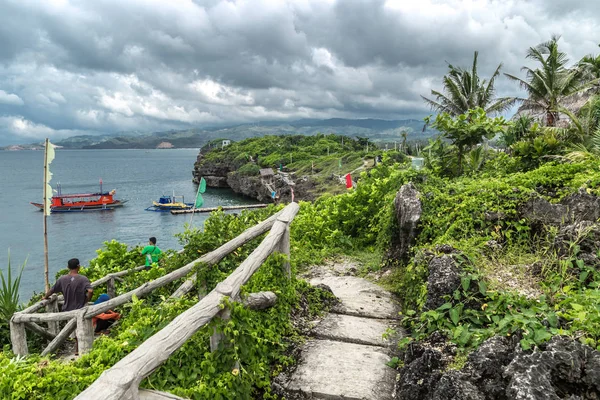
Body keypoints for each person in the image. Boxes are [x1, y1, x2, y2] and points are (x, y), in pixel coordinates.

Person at [43, 258, 93, 355]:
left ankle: (77, 349)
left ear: (68, 267)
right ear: (79, 266)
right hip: (81, 308)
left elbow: (52, 290)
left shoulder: (62, 279)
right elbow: (90, 291)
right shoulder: (83, 279)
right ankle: (80, 349)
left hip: (68, 310)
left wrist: (45, 297)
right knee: (81, 329)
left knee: (73, 331)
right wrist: (87, 299)